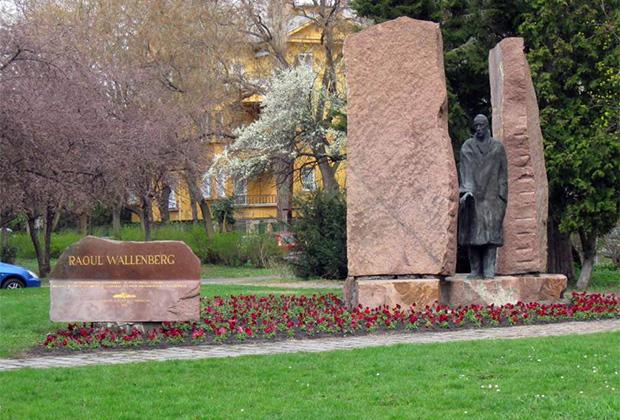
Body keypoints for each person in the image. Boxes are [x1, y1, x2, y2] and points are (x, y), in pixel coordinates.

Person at [458, 114, 508, 278]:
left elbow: (503, 173)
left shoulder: (497, 147)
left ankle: (489, 269)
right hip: (474, 195)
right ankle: (475, 269)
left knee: (492, 233)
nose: (478, 129)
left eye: (481, 125)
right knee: (473, 232)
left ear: (487, 126)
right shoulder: (468, 146)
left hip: (493, 196)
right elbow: (465, 170)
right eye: (476, 126)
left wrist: (502, 196)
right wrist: (467, 191)